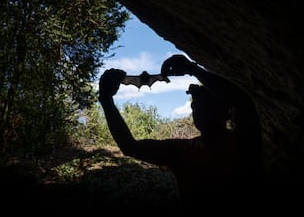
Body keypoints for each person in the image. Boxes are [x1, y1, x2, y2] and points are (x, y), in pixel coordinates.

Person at [98, 54, 264, 209]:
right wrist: (106, 100)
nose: (195, 107)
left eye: (203, 103)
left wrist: (193, 69)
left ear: (226, 110)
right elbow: (130, 147)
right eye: (195, 104)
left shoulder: (241, 140)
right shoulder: (242, 140)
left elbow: (243, 102)